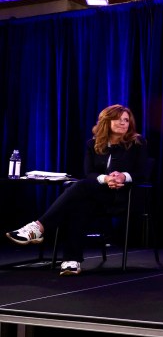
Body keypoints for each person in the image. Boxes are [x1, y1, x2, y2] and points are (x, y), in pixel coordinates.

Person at [6, 104, 148, 276]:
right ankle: (71, 261)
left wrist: (123, 177)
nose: (123, 123)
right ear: (106, 121)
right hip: (98, 195)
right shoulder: (92, 144)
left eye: (126, 120)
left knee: (79, 188)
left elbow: (142, 173)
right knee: (79, 203)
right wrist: (106, 178)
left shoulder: (137, 143)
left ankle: (38, 228)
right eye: (118, 119)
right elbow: (89, 173)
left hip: (124, 197)